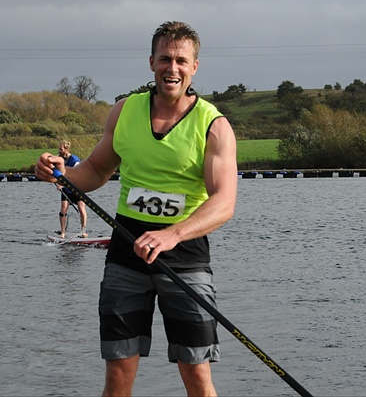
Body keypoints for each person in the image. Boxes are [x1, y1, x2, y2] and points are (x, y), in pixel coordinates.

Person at [36, 21, 237, 396]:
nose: (172, 68)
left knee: (196, 373)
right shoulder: (124, 111)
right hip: (126, 254)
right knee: (117, 374)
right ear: (151, 62)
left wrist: (171, 235)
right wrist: (61, 175)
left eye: (181, 61)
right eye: (165, 59)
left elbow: (224, 202)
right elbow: (95, 171)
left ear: (194, 67)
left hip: (185, 257)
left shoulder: (213, 124)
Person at [56, 140, 88, 238]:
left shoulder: (74, 160)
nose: (59, 151)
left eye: (61, 149)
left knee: (81, 208)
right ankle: (63, 232)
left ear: (66, 149)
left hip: (77, 187)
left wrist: (63, 185)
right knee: (63, 209)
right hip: (66, 189)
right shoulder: (59, 160)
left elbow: (76, 176)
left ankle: (83, 231)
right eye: (59, 149)